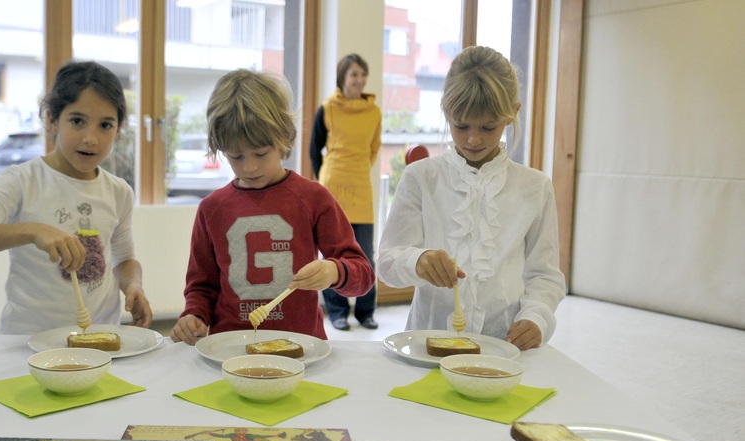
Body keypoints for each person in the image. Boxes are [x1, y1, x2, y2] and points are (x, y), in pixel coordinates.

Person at [0, 61, 153, 335]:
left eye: (105, 125)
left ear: (119, 129)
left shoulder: (118, 191)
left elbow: (124, 259)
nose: (91, 138)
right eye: (77, 121)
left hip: (99, 339)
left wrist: (133, 285)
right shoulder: (22, 180)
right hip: (27, 343)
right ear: (52, 119)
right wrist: (32, 230)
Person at [378, 46, 565, 350]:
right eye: (460, 125)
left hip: (503, 345)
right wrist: (417, 260)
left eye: (488, 127)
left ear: (512, 114)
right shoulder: (420, 178)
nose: (473, 139)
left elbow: (545, 275)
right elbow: (386, 262)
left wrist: (537, 318)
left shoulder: (535, 187)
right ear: (445, 111)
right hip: (427, 345)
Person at [170, 69, 374, 345]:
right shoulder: (211, 209)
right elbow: (201, 286)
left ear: (284, 138)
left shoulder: (313, 198)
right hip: (230, 347)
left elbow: (363, 275)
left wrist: (334, 271)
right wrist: (195, 315)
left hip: (302, 347)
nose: (249, 166)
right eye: (236, 155)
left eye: (261, 153)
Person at [309, 54, 382, 331]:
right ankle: (337, 312)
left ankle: (366, 312)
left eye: (363, 74)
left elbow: (374, 149)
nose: (359, 80)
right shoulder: (328, 108)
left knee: (366, 253)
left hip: (361, 186)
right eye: (354, 74)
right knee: (333, 254)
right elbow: (314, 149)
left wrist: (358, 170)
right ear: (342, 78)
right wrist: (324, 178)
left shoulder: (374, 112)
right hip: (333, 187)